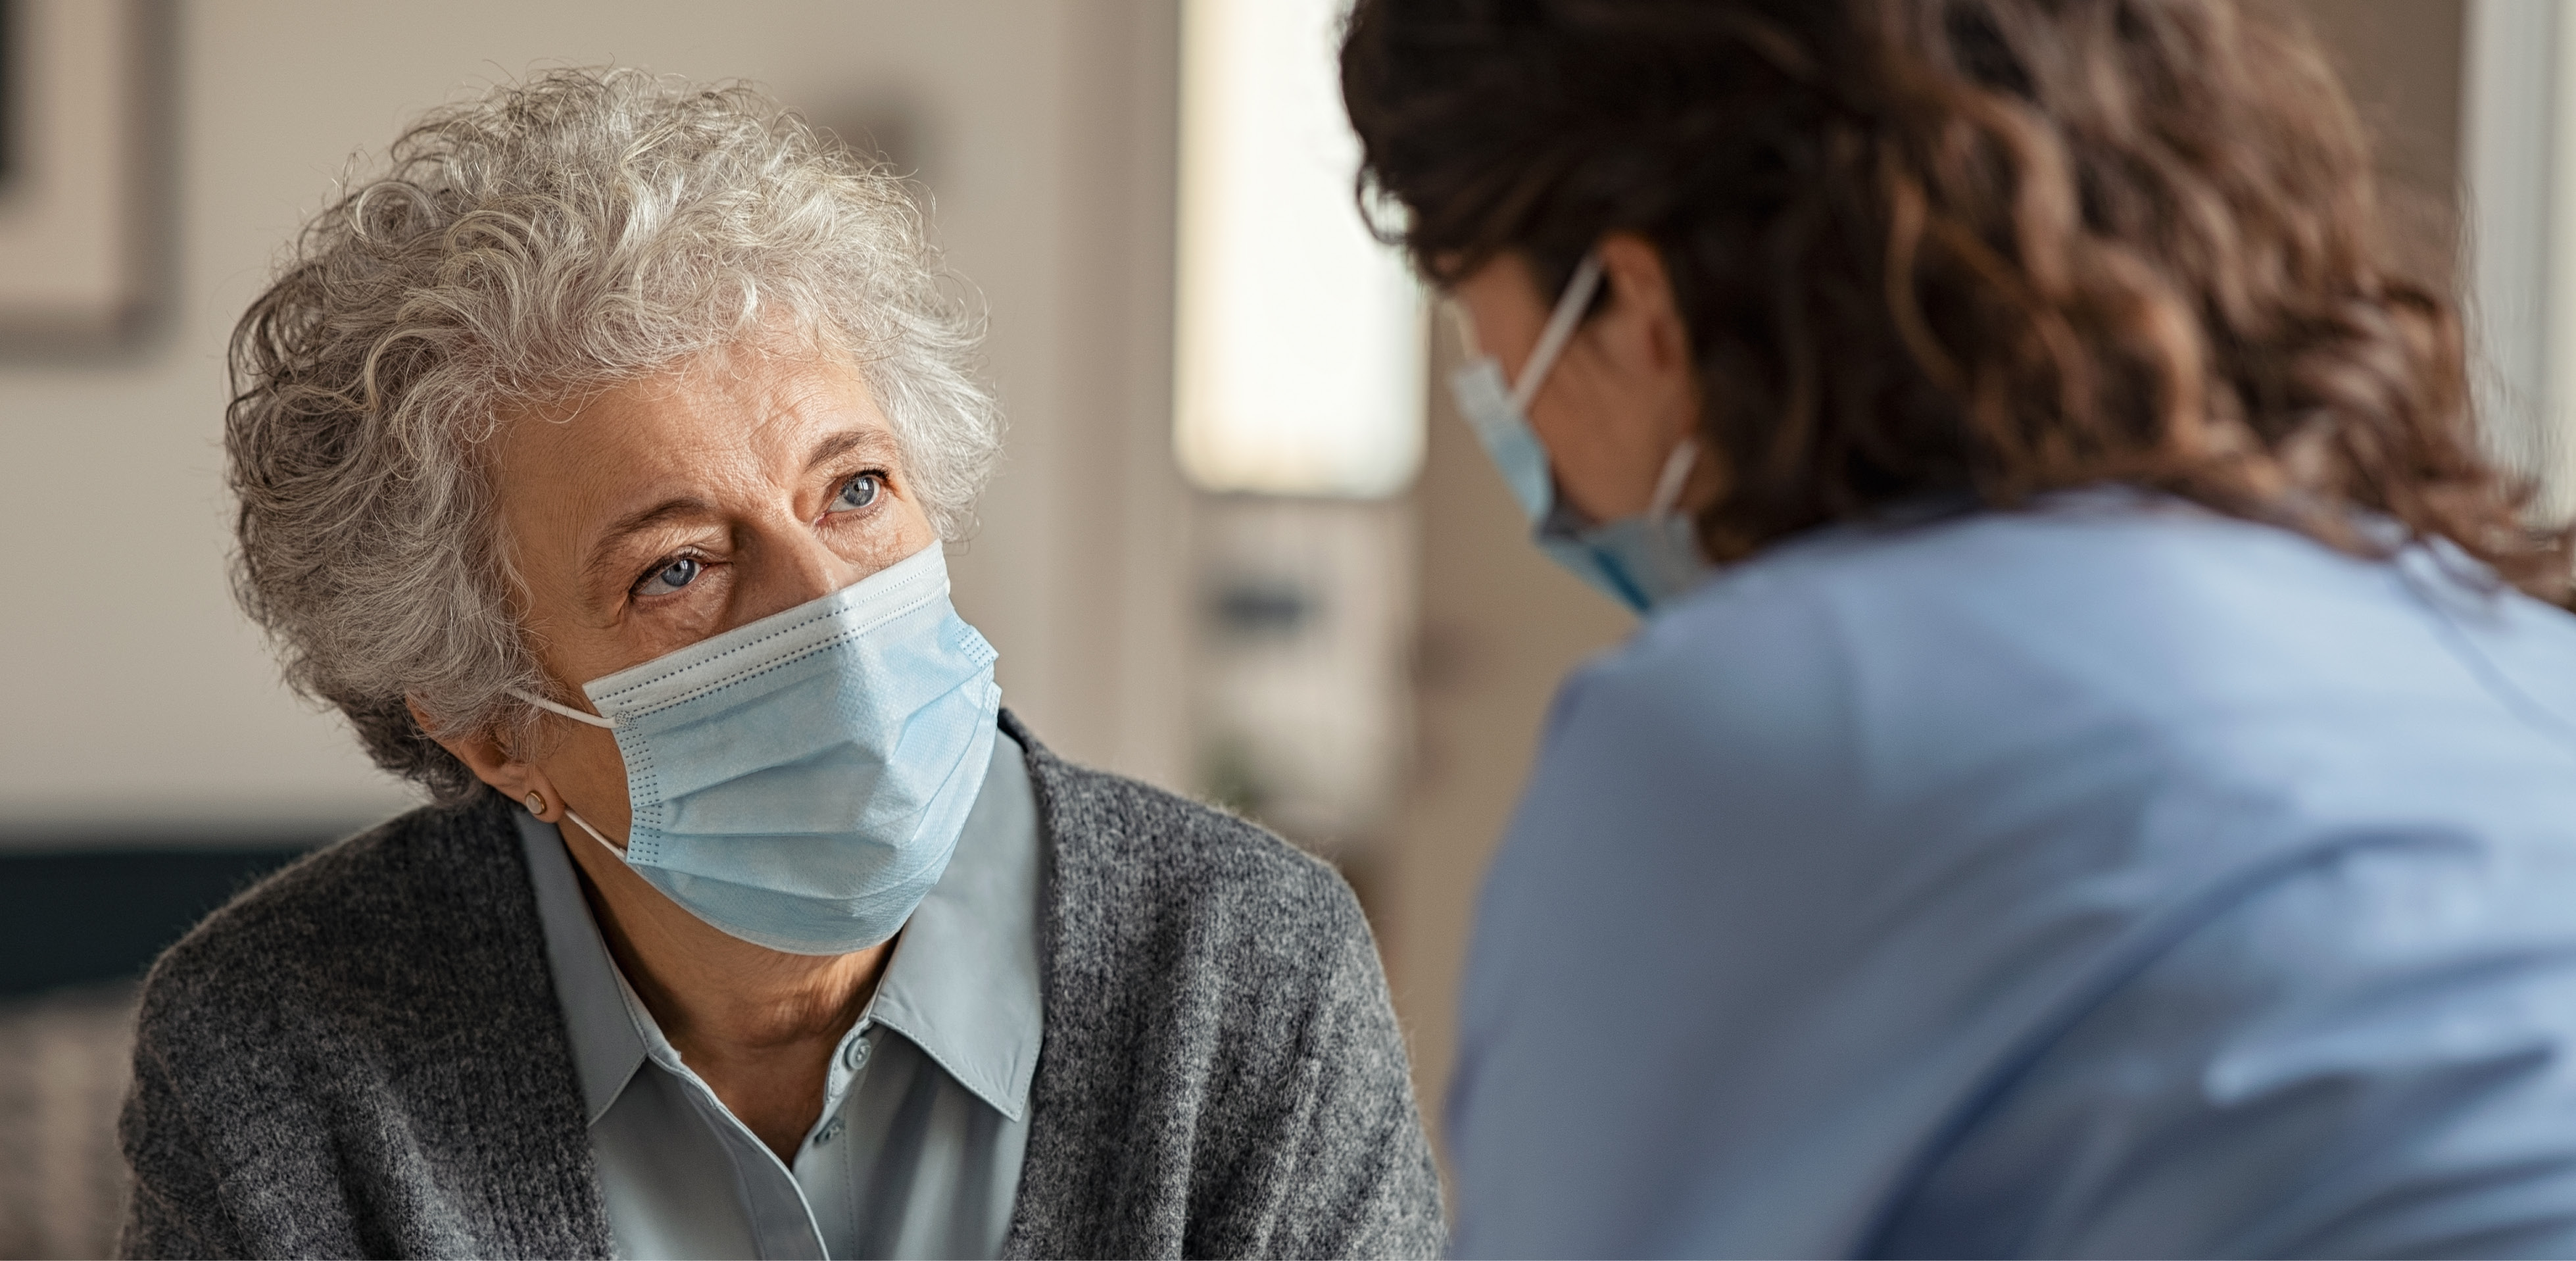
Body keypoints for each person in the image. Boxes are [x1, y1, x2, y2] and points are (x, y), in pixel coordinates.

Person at [118, 69, 1442, 1260]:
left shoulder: (1253, 972)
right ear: (489, 728)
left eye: (855, 489)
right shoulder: (276, 1050)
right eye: (679, 567)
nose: (834, 611)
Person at [1342, 0, 2576, 1255]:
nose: (1505, 405)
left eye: (1472, 315)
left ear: (1631, 302)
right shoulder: (2511, 647)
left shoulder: (1756, 727)